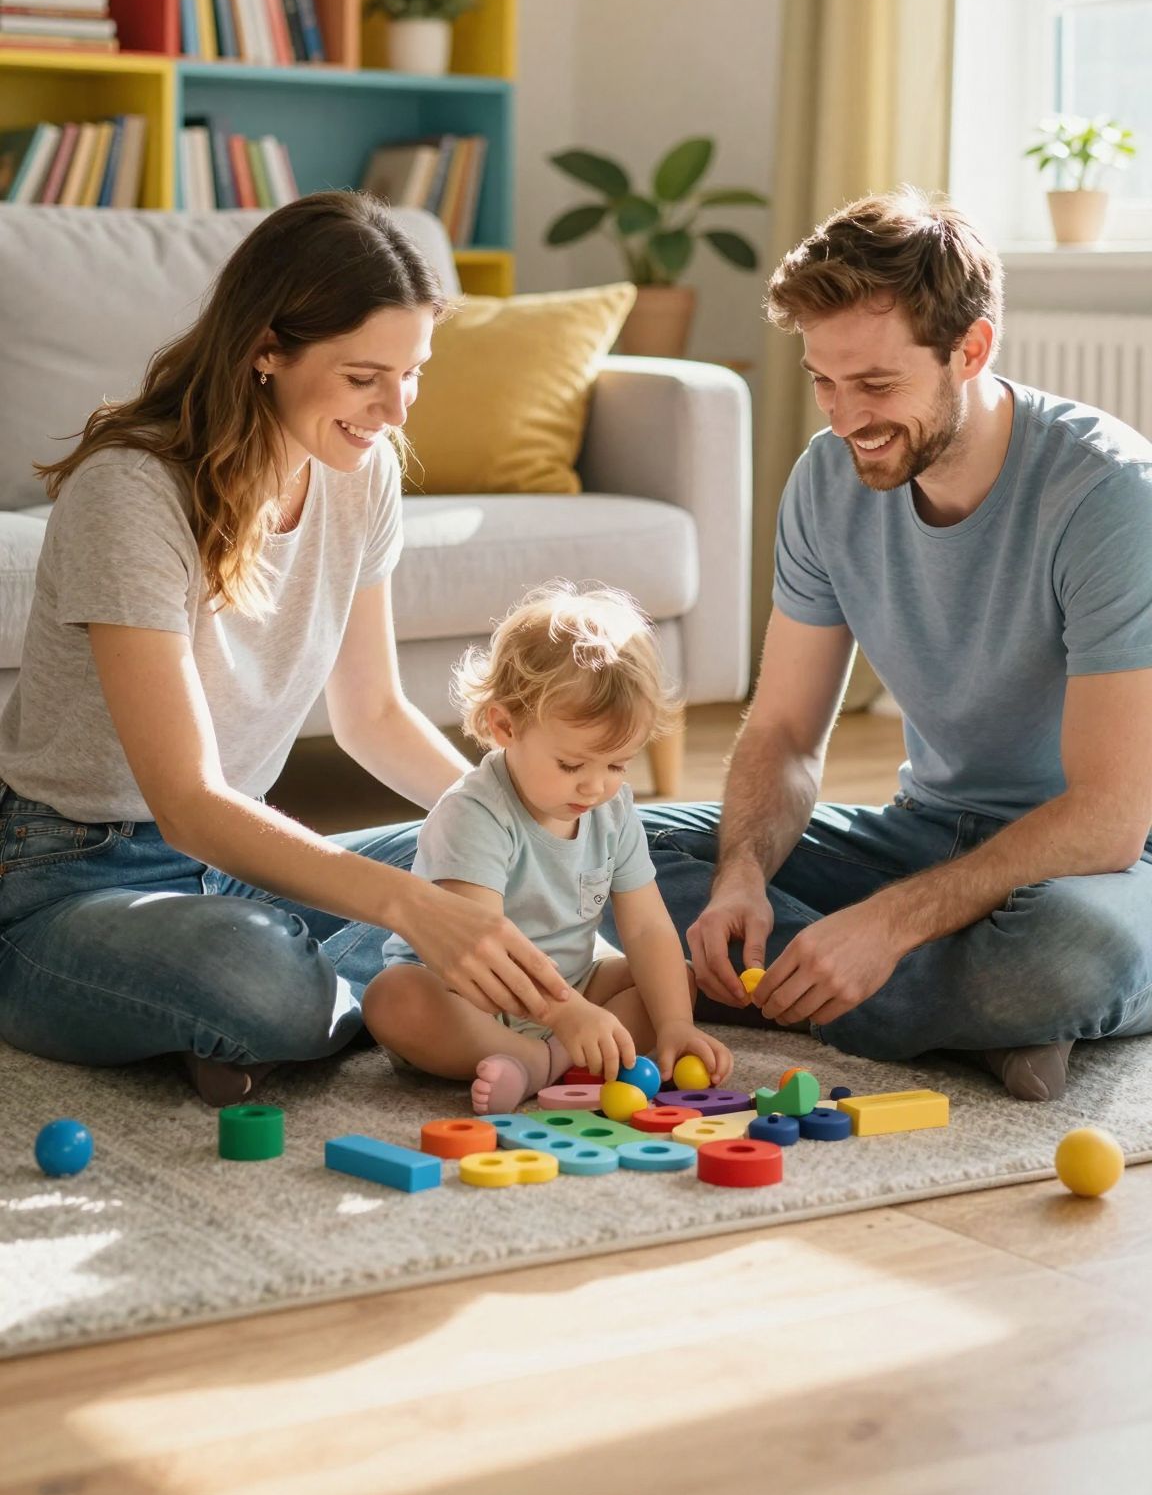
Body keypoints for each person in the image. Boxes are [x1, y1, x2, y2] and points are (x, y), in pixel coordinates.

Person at [0, 195, 567, 1107]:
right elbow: (185, 804)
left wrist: (515, 822)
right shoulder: (132, 494)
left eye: (413, 372)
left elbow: (374, 715)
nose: (394, 409)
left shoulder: (359, 470)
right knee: (258, 976)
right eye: (363, 377)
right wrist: (416, 910)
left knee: (557, 880)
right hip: (71, 879)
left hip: (241, 865)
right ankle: (349, 998)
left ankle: (286, 1015)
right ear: (266, 348)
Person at [637, 189, 1152, 1102]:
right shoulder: (826, 480)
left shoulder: (1108, 495)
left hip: (1102, 868)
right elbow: (787, 732)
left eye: (876, 385)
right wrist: (743, 877)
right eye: (824, 383)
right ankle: (981, 1024)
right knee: (613, 848)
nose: (845, 419)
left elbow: (1110, 816)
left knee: (1068, 954)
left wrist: (887, 925)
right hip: (923, 835)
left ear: (973, 349)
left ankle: (990, 1000)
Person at [364, 584, 734, 1114]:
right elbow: (483, 953)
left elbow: (648, 926)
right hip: (468, 998)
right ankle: (531, 1058)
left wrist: (676, 1024)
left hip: (572, 989)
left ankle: (547, 1061)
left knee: (671, 977)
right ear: (504, 725)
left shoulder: (612, 808)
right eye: (571, 765)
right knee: (393, 997)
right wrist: (566, 1016)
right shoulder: (475, 814)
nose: (595, 787)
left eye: (617, 765)